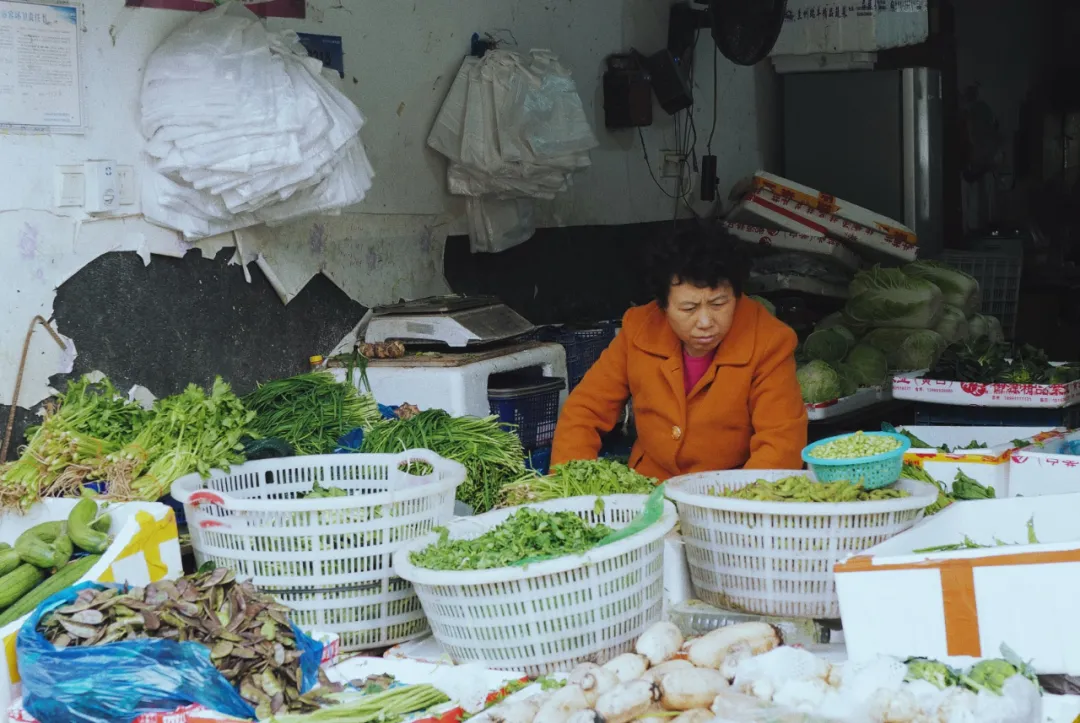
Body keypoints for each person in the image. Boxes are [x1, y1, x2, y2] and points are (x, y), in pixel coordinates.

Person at [551, 225, 807, 480]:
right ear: (662, 305)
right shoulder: (639, 328)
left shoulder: (770, 341)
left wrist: (733, 508)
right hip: (649, 487)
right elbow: (585, 411)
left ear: (738, 296)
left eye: (719, 304)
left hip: (729, 491)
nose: (705, 321)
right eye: (688, 308)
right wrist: (568, 490)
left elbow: (780, 444)